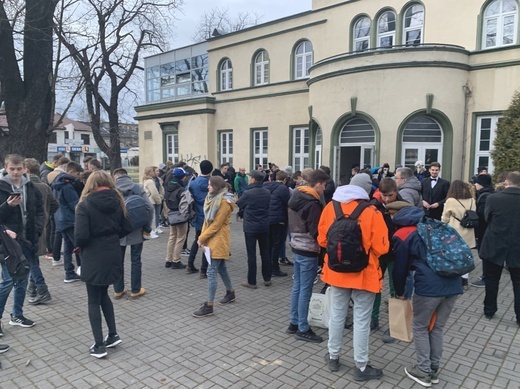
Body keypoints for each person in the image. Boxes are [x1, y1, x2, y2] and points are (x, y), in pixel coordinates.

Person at [318, 178, 389, 380]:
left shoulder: (331, 207)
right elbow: (382, 248)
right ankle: (361, 366)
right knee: (361, 321)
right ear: (365, 191)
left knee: (337, 315)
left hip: (336, 273)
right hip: (364, 275)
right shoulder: (372, 212)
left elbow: (322, 240)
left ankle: (333, 356)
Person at [392, 206, 462, 387]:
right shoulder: (436, 226)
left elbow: (400, 269)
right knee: (437, 328)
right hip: (454, 283)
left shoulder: (403, 234)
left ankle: (423, 371)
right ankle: (434, 368)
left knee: (420, 326)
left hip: (429, 287)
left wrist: (399, 292)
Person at [75, 170, 132, 358]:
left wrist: (82, 246)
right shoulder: (118, 201)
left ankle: (99, 345)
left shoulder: (85, 205)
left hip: (93, 253)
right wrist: (111, 236)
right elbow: (127, 227)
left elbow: (80, 236)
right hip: (112, 251)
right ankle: (113, 334)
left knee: (93, 299)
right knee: (103, 295)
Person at [0, 154, 44, 330]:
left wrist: (38, 229)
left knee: (23, 280)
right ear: (6, 167)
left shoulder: (31, 186)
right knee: (8, 281)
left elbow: (40, 211)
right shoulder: (1, 187)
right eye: (12, 169)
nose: (16, 172)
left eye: (19, 169)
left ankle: (17, 315)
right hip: (8, 243)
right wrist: (7, 206)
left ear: (25, 168)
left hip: (27, 239)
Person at [286, 169, 329, 343]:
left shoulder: (296, 195)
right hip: (308, 250)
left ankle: (294, 322)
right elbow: (316, 231)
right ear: (317, 184)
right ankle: (303, 327)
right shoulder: (312, 203)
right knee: (305, 290)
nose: (324, 189)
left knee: (297, 286)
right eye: (324, 185)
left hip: (296, 246)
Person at [479, 171, 520, 325]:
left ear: (506, 183)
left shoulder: (493, 198)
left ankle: (489, 310)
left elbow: (487, 217)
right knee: (518, 283)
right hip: (517, 246)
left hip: (494, 244)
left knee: (491, 279)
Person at [192, 176, 236, 317]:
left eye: (210, 185)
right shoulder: (212, 198)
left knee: (211, 271)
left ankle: (209, 305)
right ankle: (230, 292)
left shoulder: (223, 202)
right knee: (221, 268)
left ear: (216, 186)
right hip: (211, 237)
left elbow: (216, 225)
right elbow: (207, 221)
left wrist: (201, 238)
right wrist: (202, 238)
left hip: (219, 239)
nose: (207, 187)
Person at [113, 168, 153, 299]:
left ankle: (118, 290)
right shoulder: (137, 187)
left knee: (117, 261)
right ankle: (135, 290)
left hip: (118, 232)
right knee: (136, 260)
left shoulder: (112, 190)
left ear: (115, 177)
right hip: (136, 229)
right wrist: (147, 226)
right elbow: (150, 207)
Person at [24, 158, 59, 305]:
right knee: (33, 258)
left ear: (26, 170)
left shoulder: (26, 187)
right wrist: (46, 216)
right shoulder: (45, 186)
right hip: (41, 228)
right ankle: (32, 288)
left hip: (28, 230)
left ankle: (42, 289)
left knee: (31, 260)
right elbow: (55, 205)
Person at [236, 169, 271, 288]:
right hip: (264, 226)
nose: (249, 179)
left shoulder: (248, 193)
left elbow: (239, 204)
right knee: (265, 253)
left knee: (252, 255)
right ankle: (267, 278)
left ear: (254, 179)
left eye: (250, 177)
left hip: (251, 227)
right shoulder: (267, 192)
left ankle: (252, 281)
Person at [441, 180, 476, 290]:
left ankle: (453, 279)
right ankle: (464, 280)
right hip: (469, 231)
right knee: (466, 256)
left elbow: (445, 217)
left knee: (453, 255)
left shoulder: (451, 200)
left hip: (454, 230)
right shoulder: (471, 200)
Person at [52, 161, 83, 282]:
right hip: (70, 220)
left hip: (60, 219)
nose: (78, 176)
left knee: (67, 247)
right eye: (77, 173)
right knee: (79, 246)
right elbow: (74, 204)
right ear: (70, 172)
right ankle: (83, 270)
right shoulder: (67, 186)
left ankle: (69, 272)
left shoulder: (57, 183)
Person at [187, 160, 213, 276]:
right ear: (211, 170)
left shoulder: (193, 183)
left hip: (198, 215)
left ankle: (190, 263)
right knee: (207, 242)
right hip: (210, 216)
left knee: (197, 239)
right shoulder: (213, 183)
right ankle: (204, 269)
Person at [264, 171, 290, 278]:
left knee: (269, 244)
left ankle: (267, 266)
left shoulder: (265, 185)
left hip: (267, 218)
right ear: (285, 179)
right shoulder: (283, 189)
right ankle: (275, 268)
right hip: (279, 219)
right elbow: (288, 203)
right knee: (277, 244)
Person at [164, 167, 190, 269]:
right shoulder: (181, 189)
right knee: (180, 237)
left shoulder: (168, 186)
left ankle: (168, 259)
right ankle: (176, 260)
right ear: (182, 177)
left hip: (171, 213)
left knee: (172, 236)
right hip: (180, 214)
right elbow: (184, 203)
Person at [471, 174, 495, 288]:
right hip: (490, 230)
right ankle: (488, 276)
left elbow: (482, 216)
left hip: (484, 230)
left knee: (485, 254)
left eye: (477, 183)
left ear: (481, 184)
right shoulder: (492, 193)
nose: (475, 185)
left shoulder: (485, 196)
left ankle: (486, 277)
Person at [143, 166, 164, 237]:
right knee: (153, 216)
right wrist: (159, 200)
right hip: (153, 201)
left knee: (157, 215)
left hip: (155, 199)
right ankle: (151, 231)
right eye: (152, 171)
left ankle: (156, 228)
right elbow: (154, 192)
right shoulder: (150, 181)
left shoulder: (154, 180)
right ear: (149, 172)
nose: (154, 172)